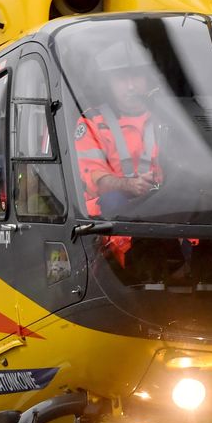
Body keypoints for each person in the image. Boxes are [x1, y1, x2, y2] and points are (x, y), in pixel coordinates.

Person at [74, 41, 164, 265]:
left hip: (162, 208)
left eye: (137, 76)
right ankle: (127, 263)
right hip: (106, 221)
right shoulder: (92, 122)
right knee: (112, 199)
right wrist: (129, 185)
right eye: (122, 78)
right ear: (108, 83)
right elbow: (96, 181)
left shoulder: (167, 120)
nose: (131, 86)